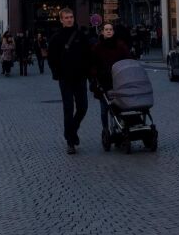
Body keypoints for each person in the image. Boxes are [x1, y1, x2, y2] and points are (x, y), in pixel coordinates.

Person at [47, 8, 91, 155]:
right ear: (61, 20)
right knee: (68, 109)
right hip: (65, 79)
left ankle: (72, 131)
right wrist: (57, 73)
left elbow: (88, 55)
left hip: (80, 77)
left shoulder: (81, 35)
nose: (69, 19)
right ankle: (70, 142)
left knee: (83, 107)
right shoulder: (56, 37)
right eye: (66, 17)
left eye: (71, 17)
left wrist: (88, 73)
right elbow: (51, 58)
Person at [90, 22, 131, 131]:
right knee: (104, 109)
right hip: (103, 82)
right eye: (106, 29)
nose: (108, 31)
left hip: (118, 81)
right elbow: (93, 64)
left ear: (113, 31)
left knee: (118, 107)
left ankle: (118, 128)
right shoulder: (97, 47)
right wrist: (95, 76)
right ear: (102, 32)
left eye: (110, 29)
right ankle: (105, 130)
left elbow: (127, 59)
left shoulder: (120, 45)